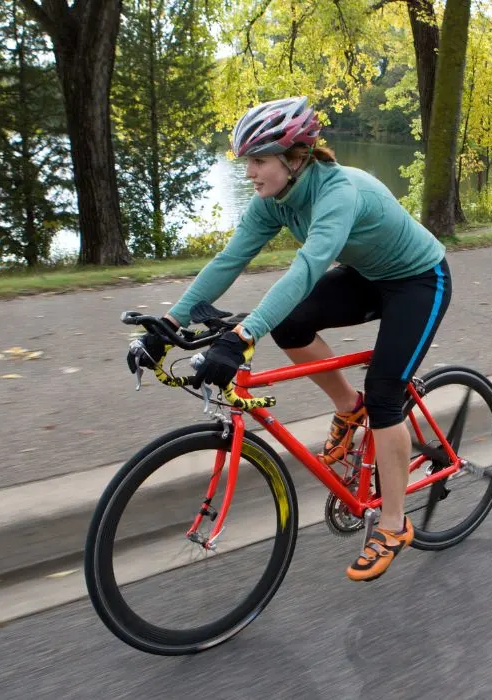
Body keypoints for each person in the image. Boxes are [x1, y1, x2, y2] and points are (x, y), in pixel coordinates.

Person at [128, 96, 452, 582]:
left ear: (294, 158)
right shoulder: (272, 201)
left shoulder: (337, 193)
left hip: (419, 280)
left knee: (387, 393)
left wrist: (242, 335)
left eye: (259, 161)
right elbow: (227, 262)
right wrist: (170, 328)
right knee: (291, 324)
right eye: (246, 163)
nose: (250, 173)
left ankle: (393, 522)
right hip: (367, 276)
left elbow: (304, 271)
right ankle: (348, 406)